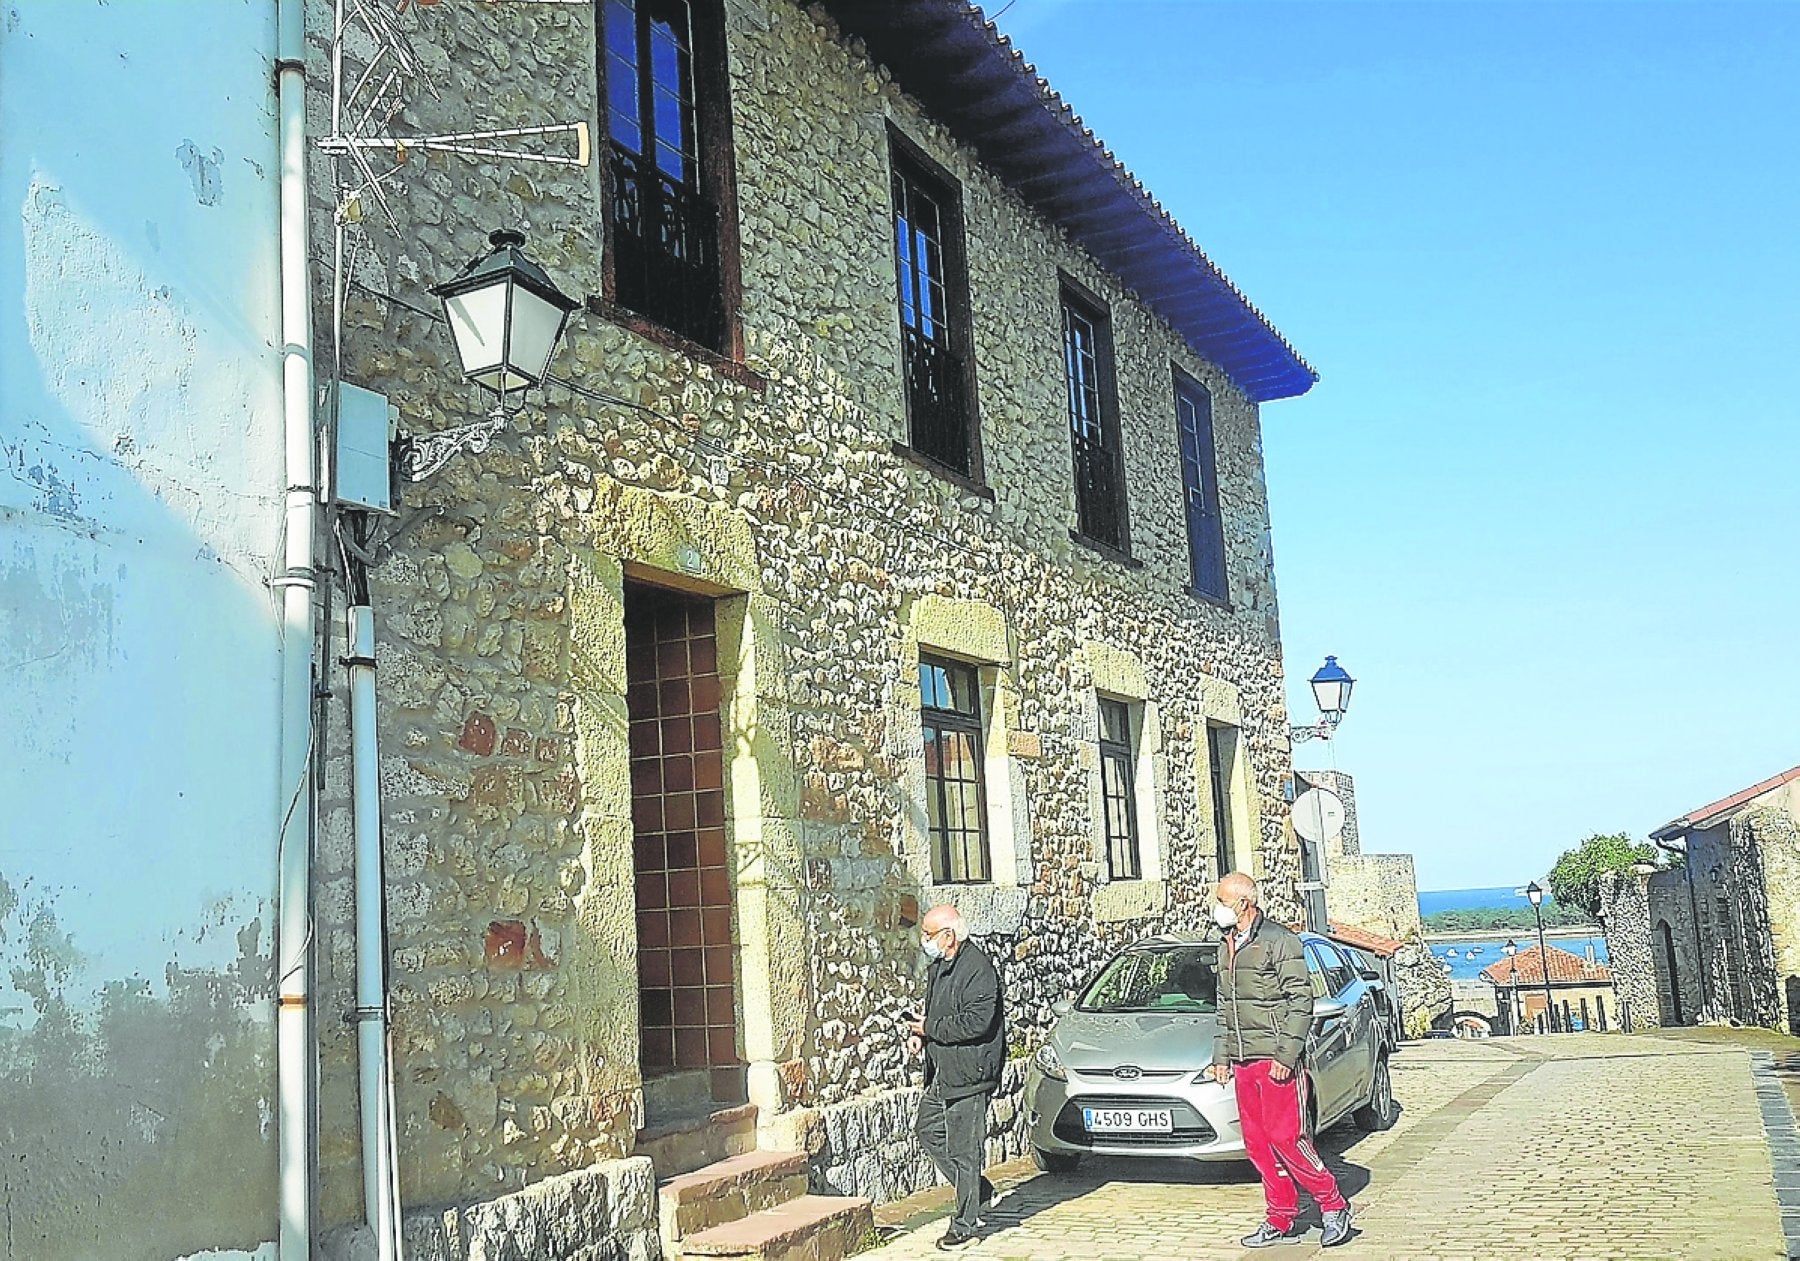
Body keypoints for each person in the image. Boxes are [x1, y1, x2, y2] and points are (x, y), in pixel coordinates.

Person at [1209, 872, 1355, 1248]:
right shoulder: (1225, 944)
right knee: (1257, 1144)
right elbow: (1226, 1007)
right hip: (1243, 1061)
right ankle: (1280, 1215)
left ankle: (1333, 1204)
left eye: (1223, 900)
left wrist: (1286, 1055)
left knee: (1287, 1138)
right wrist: (1221, 1056)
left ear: (1244, 903)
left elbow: (1300, 1001)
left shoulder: (1279, 941)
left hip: (1276, 1059)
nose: (1216, 907)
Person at [906, 904, 1005, 1251]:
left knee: (965, 1152)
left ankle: (965, 1224)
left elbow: (977, 1023)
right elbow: (934, 1010)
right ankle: (978, 1190)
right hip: (942, 1070)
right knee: (927, 1129)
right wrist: (922, 1034)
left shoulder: (979, 970)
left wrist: (929, 1028)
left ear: (949, 936)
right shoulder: (938, 968)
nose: (924, 940)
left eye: (929, 934)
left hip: (970, 1072)